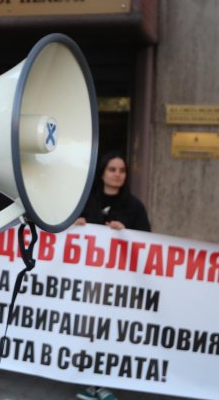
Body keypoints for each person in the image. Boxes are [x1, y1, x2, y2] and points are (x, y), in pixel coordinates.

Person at [74, 151, 150, 400]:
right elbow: (64, 230)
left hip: (120, 284)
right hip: (89, 280)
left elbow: (147, 240)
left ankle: (104, 383)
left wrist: (126, 231)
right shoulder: (86, 201)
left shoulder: (134, 206)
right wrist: (77, 224)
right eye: (112, 170)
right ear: (103, 173)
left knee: (110, 331)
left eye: (122, 171)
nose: (118, 175)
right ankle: (88, 381)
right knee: (88, 330)